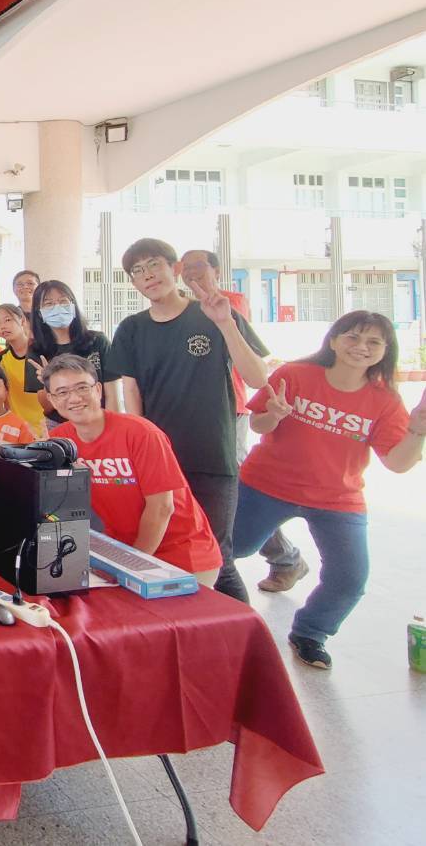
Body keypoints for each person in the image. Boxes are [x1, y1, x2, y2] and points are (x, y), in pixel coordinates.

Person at [232, 312, 426, 670]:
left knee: (349, 579)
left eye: (373, 342)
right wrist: (274, 415)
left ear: (385, 351)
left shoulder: (385, 401)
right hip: (267, 484)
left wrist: (417, 431)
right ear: (333, 340)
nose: (361, 347)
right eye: (352, 337)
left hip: (337, 498)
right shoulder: (295, 374)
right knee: (234, 548)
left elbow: (398, 464)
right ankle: (228, 617)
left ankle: (310, 633)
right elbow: (258, 423)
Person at [109, 238, 269, 603]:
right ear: (133, 282)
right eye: (138, 271)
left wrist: (226, 324)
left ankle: (242, 641)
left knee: (218, 556)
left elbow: (258, 376)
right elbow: (131, 395)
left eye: (154, 265)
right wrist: (139, 453)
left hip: (212, 454)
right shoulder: (132, 329)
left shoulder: (213, 312)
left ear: (174, 268)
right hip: (161, 463)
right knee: (170, 551)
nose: (148, 276)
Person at [180, 249, 304, 591]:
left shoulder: (228, 302)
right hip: (196, 413)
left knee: (229, 493)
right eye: (185, 269)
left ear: (217, 271)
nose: (191, 275)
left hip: (229, 410)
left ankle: (285, 559)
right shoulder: (185, 308)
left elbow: (250, 358)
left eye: (199, 268)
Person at [44, 354, 222, 585]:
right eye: (63, 392)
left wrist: (133, 565)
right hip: (121, 552)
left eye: (82, 388)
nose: (75, 398)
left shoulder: (141, 434)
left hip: (182, 557)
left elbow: (162, 508)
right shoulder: (59, 441)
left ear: (98, 390)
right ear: (52, 399)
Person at [26, 279, 119, 429]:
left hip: (98, 422)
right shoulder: (36, 350)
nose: (57, 308)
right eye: (49, 304)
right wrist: (47, 382)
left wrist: (113, 428)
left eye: (63, 301)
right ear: (39, 313)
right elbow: (46, 407)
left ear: (73, 305)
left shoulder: (97, 341)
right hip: (59, 426)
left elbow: (112, 392)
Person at [0, 303, 45, 436]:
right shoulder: (0, 359)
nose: (3, 326)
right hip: (18, 431)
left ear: (22, 320)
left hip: (47, 429)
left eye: (8, 320)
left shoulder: (43, 352)